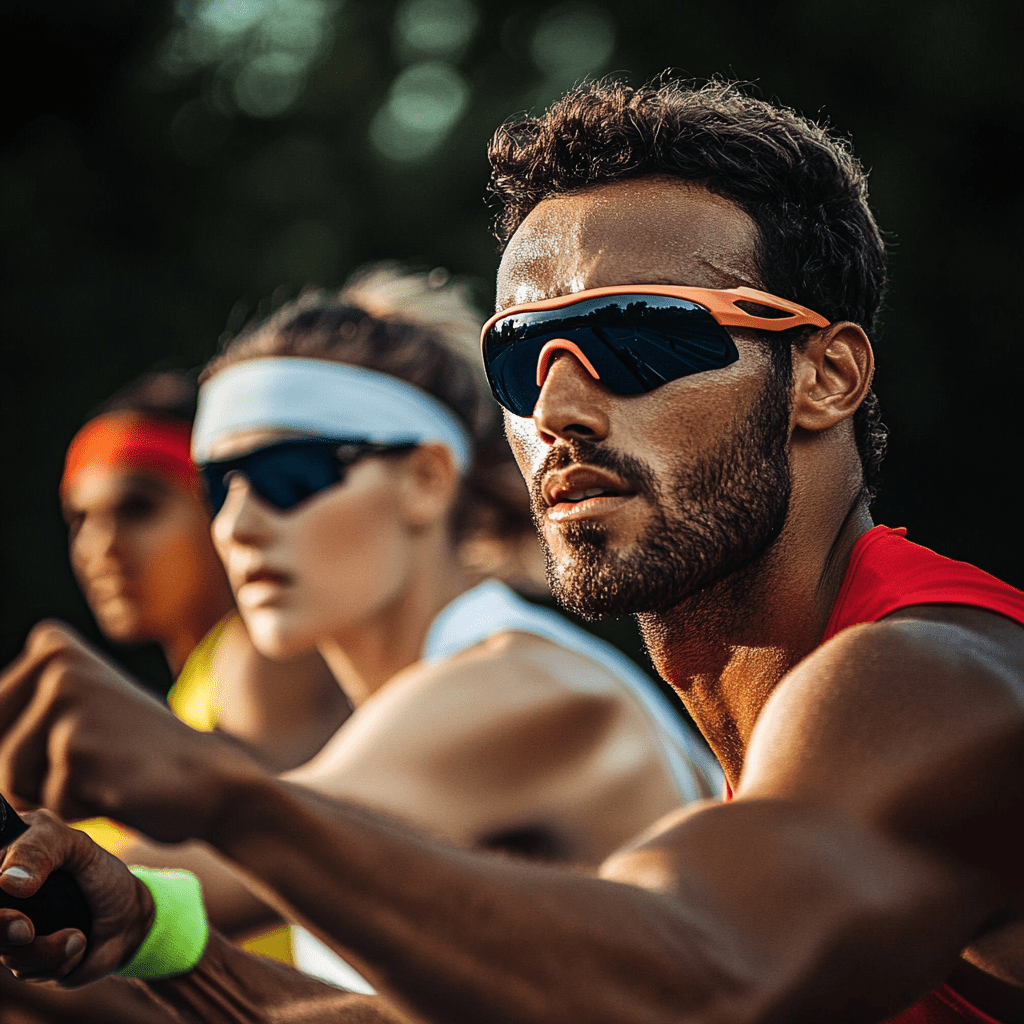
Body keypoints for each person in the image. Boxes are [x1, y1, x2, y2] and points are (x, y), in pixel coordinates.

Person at [2, 78, 1023, 1024]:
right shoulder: (775, 738)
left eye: (640, 336)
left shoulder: (928, 678)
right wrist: (157, 937)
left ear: (826, 377)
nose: (559, 407)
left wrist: (226, 794)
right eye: (521, 356)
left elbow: (710, 978)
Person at [0, 262, 719, 1009]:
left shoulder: (518, 686)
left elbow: (172, 880)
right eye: (218, 487)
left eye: (287, 474)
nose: (237, 527)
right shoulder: (433, 693)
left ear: (427, 478)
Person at [60, 372, 346, 774]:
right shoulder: (198, 686)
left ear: (220, 506)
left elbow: (271, 812)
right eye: (79, 519)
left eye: (139, 509)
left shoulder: (261, 660)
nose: (99, 546)